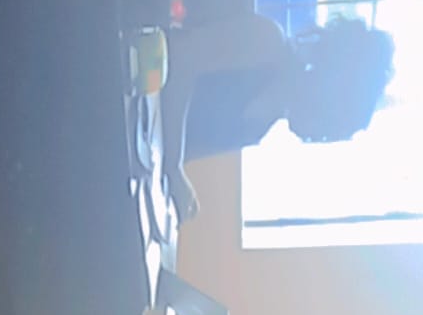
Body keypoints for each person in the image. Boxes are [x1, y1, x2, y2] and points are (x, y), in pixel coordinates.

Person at [162, 12, 395, 218]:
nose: (315, 137)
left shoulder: (257, 130)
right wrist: (174, 168)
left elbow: (181, 154)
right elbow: (178, 59)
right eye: (327, 127)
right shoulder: (266, 41)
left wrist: (175, 182)